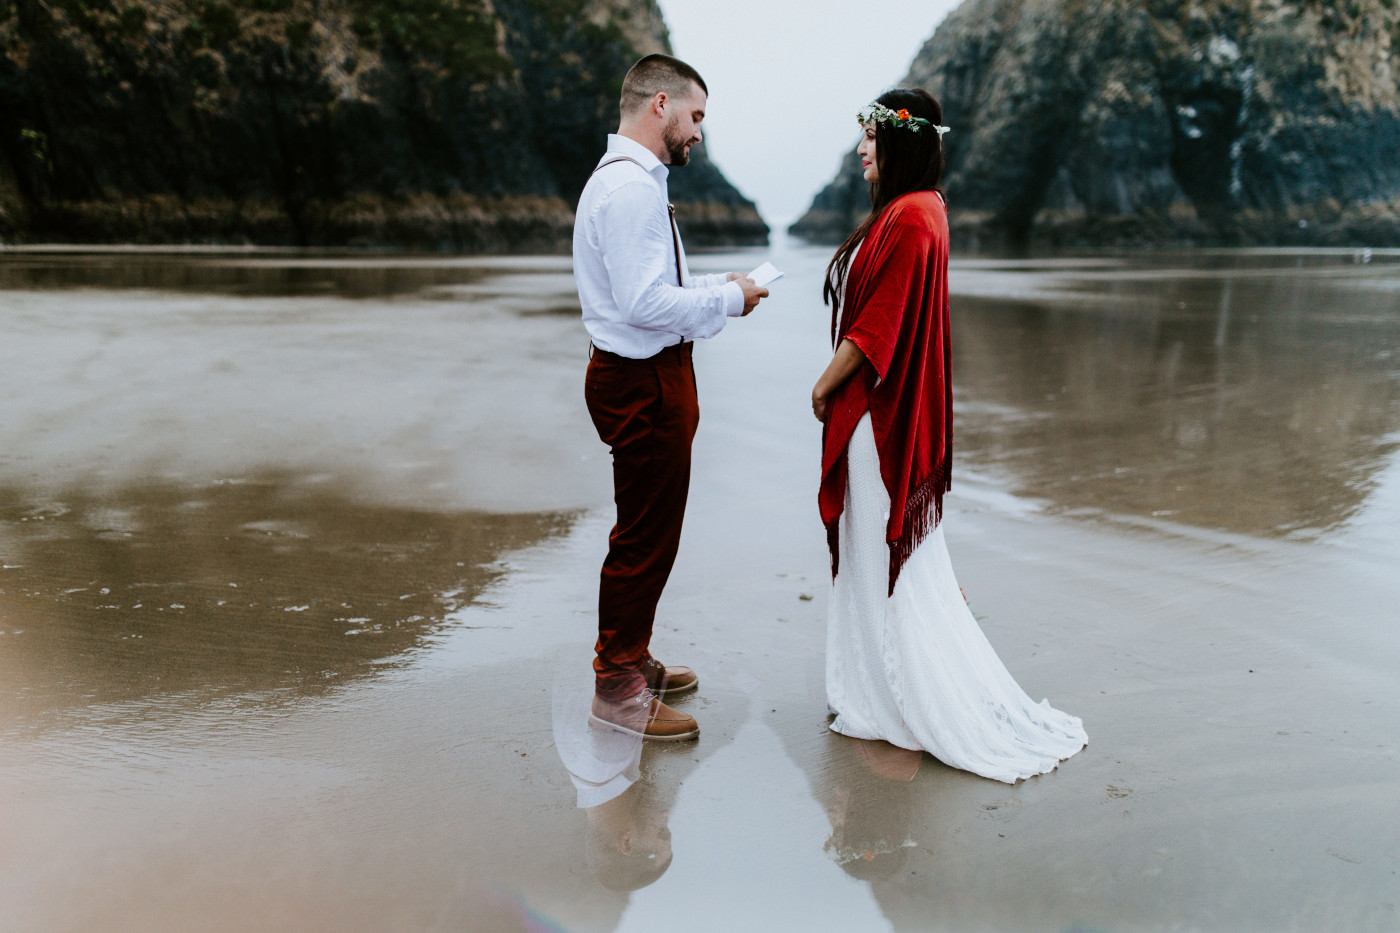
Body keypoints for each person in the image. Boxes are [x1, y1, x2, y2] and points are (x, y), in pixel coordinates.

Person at [811, 88, 1087, 783]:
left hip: (880, 418)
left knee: (884, 556)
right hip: (877, 416)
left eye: (871, 137)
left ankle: (901, 703)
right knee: (880, 559)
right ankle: (879, 690)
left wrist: (823, 383)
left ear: (901, 141)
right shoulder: (917, 210)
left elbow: (877, 329)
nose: (861, 149)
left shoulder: (911, 215)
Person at [574, 54, 768, 741]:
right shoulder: (630, 190)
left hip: (646, 373)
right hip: (643, 380)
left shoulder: (631, 183)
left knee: (650, 529)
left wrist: (720, 283)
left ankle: (632, 656)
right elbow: (644, 301)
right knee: (643, 536)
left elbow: (650, 286)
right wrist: (730, 300)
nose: (698, 133)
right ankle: (619, 687)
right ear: (660, 104)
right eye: (695, 117)